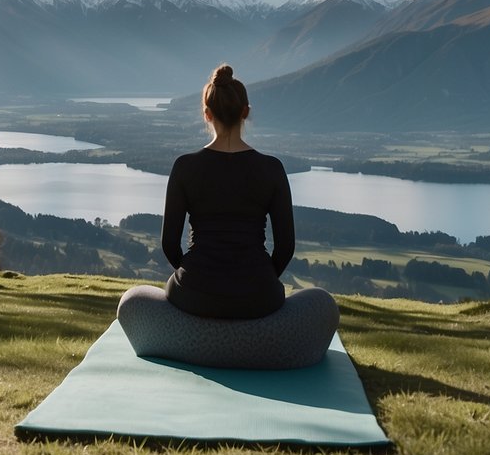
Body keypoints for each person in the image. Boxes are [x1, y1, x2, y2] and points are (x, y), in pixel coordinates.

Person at [117, 64, 339, 369]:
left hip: (194, 294)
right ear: (246, 112)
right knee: (322, 304)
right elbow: (285, 246)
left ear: (207, 114)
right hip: (259, 296)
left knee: (133, 301)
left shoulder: (185, 167)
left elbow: (170, 244)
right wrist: (258, 281)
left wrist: (194, 277)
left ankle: (192, 342)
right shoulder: (271, 169)